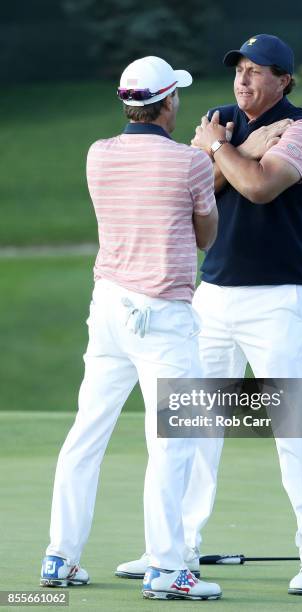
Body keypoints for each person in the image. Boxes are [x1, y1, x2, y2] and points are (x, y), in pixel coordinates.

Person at [119, 34, 302, 596]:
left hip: (277, 299)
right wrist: (233, 153)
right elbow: (192, 192)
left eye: (257, 71)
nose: (243, 80)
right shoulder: (220, 119)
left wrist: (221, 151)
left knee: (290, 429)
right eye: (239, 70)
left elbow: (261, 187)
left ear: (284, 80)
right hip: (211, 297)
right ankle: (176, 549)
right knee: (195, 424)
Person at [40, 55, 222, 601]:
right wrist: (213, 151)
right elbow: (206, 236)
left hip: (109, 311)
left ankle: (60, 558)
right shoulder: (190, 163)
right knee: (173, 440)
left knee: (87, 433)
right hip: (162, 316)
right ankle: (167, 569)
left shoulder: (98, 155)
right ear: (168, 103)